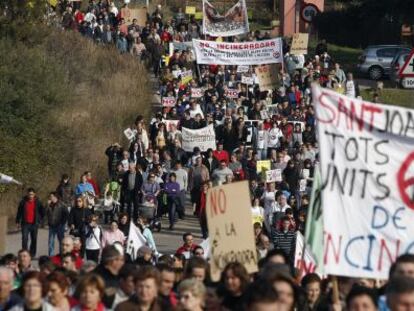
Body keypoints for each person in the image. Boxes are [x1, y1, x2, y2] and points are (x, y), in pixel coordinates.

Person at [16, 188, 45, 258]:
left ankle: (32, 254)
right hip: (25, 223)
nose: (30, 196)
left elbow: (43, 211)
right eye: (29, 194)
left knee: (34, 239)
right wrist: (17, 221)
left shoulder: (38, 202)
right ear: (27, 194)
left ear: (34, 194)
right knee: (24, 239)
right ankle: (25, 253)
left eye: (32, 194)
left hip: (34, 224)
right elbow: (19, 212)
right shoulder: (23, 202)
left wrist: (40, 220)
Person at [45, 192, 68, 256]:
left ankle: (62, 255)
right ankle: (51, 256)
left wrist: (62, 223)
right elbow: (44, 213)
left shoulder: (62, 204)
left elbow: (66, 214)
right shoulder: (48, 205)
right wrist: (47, 205)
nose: (50, 198)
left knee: (61, 242)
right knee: (51, 243)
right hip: (51, 226)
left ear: (55, 197)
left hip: (59, 226)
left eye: (51, 196)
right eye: (50, 197)